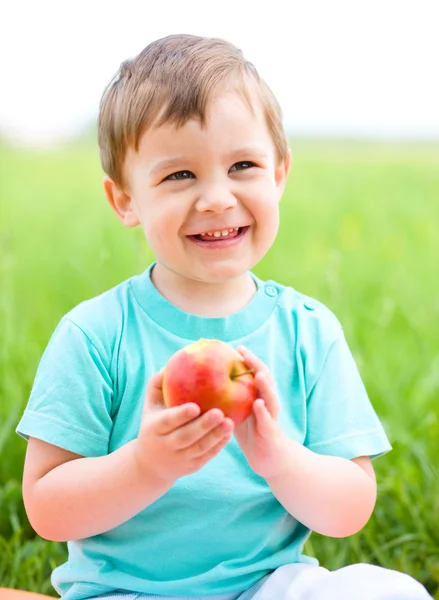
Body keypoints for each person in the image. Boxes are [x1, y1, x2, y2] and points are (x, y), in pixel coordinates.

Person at [16, 34, 432, 600]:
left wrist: (278, 458)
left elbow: (350, 510)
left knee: (388, 593)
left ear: (279, 174)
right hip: (127, 594)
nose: (216, 198)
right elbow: (46, 510)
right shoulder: (96, 335)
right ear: (125, 201)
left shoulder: (308, 331)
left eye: (242, 165)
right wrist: (146, 464)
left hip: (266, 587)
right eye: (179, 175)